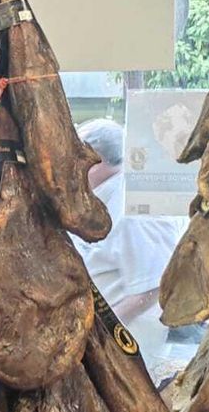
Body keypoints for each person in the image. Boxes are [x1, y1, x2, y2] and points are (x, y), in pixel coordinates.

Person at [73, 119, 182, 378]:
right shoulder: (105, 199)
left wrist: (99, 332)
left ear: (97, 159)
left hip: (126, 350)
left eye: (80, 158)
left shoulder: (131, 208)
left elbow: (155, 285)